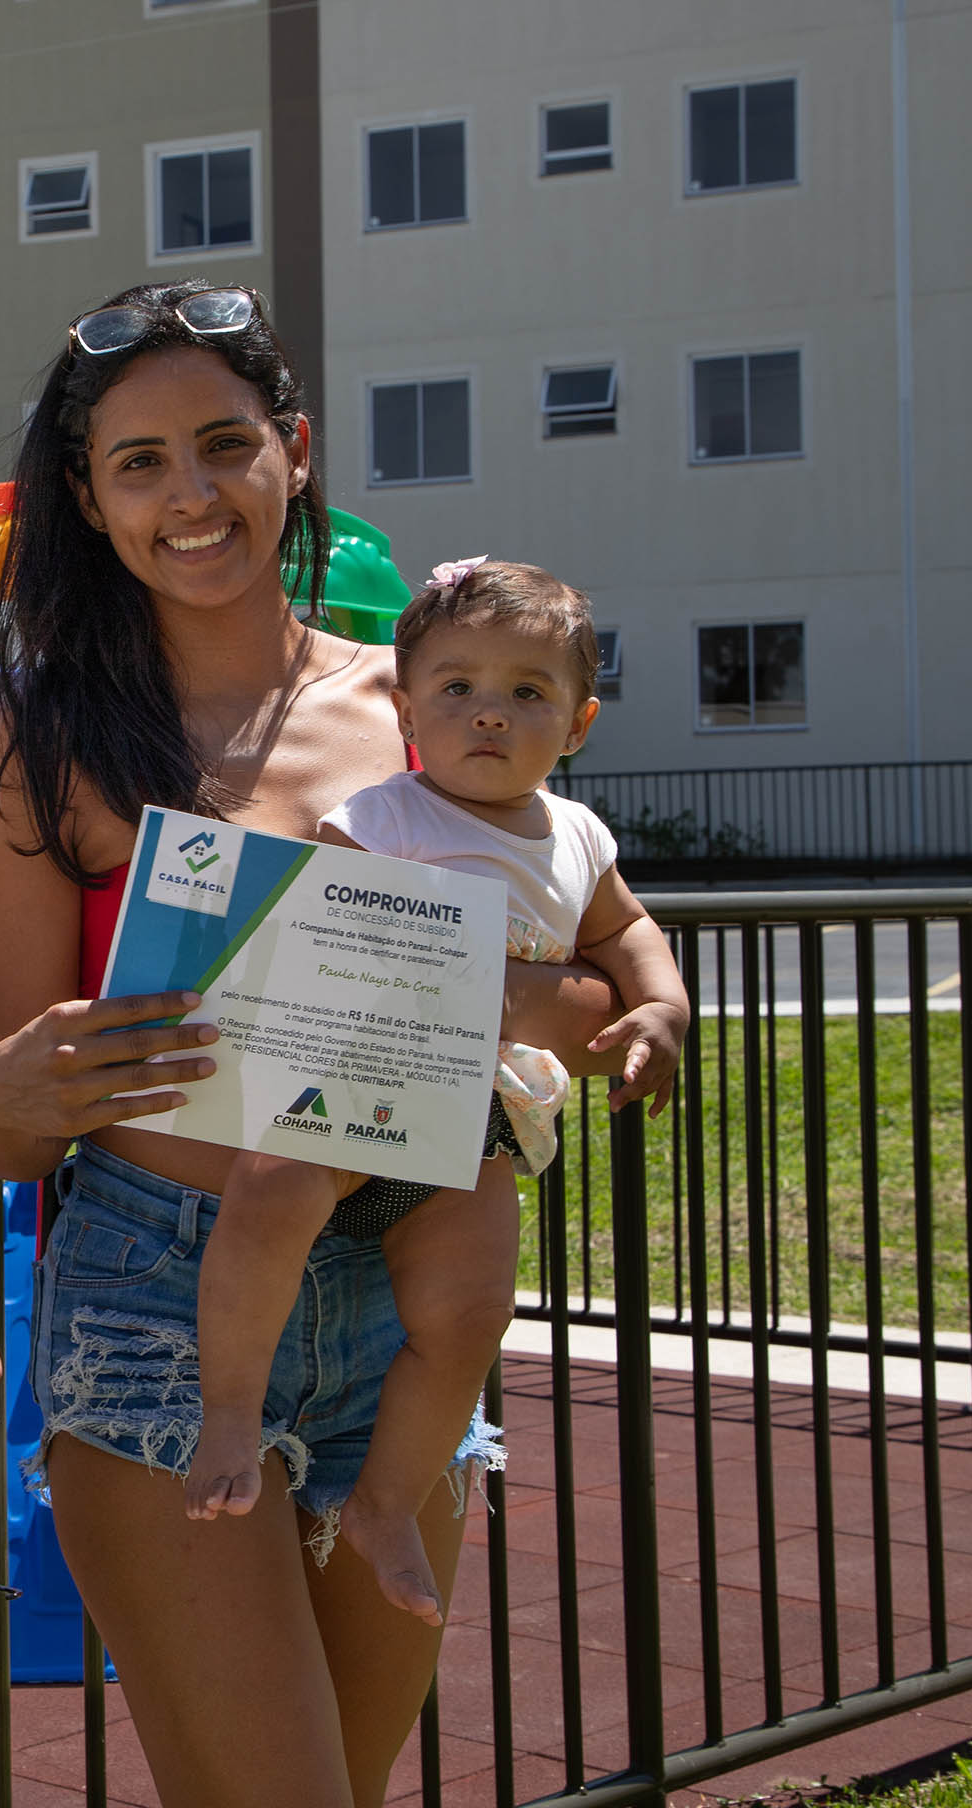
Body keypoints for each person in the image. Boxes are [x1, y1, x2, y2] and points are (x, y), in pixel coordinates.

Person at [0, 280, 622, 1808]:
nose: (191, 496)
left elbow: (588, 994)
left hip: (400, 1282)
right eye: (139, 464)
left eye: (223, 445)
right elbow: (7, 1127)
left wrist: (442, 986)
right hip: (154, 1292)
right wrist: (6, 1090)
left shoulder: (435, 705)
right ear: (89, 501)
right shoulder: (37, 744)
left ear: (293, 453)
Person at [184, 558, 689, 1626]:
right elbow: (309, 934)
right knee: (270, 1187)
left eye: (527, 691)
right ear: (407, 708)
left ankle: (384, 1501)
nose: (489, 714)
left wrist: (661, 1007)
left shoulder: (579, 838)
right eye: (456, 687)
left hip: (484, 1117)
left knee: (466, 1314)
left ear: (581, 720)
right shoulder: (383, 817)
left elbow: (626, 930)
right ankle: (227, 1410)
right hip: (363, 1074)